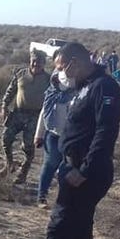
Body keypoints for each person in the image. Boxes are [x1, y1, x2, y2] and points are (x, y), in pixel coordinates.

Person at [23, 42, 120, 239]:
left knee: (58, 233)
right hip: (73, 169)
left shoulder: (105, 88)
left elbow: (105, 133)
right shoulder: (84, 86)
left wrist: (84, 171)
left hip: (87, 174)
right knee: (79, 234)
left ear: (75, 63)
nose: (61, 73)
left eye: (62, 66)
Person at [0, 50, 51, 183]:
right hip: (18, 112)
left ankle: (23, 172)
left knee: (28, 146)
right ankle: (9, 165)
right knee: (6, 138)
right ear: (30, 61)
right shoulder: (20, 74)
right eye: (33, 60)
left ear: (44, 64)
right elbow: (11, 91)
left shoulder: (49, 79)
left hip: (36, 116)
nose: (35, 64)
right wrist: (4, 105)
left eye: (39, 62)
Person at [34, 67, 76, 207]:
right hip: (53, 134)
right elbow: (44, 113)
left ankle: (63, 199)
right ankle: (42, 196)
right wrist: (38, 135)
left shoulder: (78, 95)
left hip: (71, 138)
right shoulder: (52, 94)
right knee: (50, 164)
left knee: (67, 168)